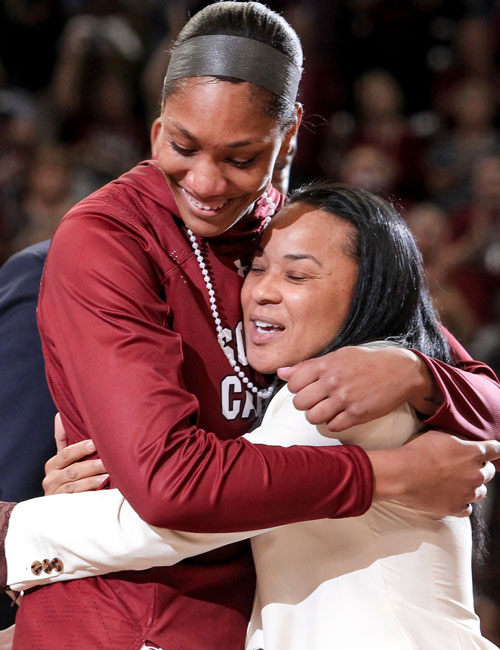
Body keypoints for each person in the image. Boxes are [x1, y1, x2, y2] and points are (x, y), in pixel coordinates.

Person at [4, 3, 500, 649]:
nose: (207, 181)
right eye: (184, 147)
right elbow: (169, 490)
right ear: (156, 131)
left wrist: (416, 375)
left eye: (240, 157)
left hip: (242, 618)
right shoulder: (109, 237)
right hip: (132, 622)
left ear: (288, 135)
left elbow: (482, 397)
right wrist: (395, 474)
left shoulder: (298, 233)